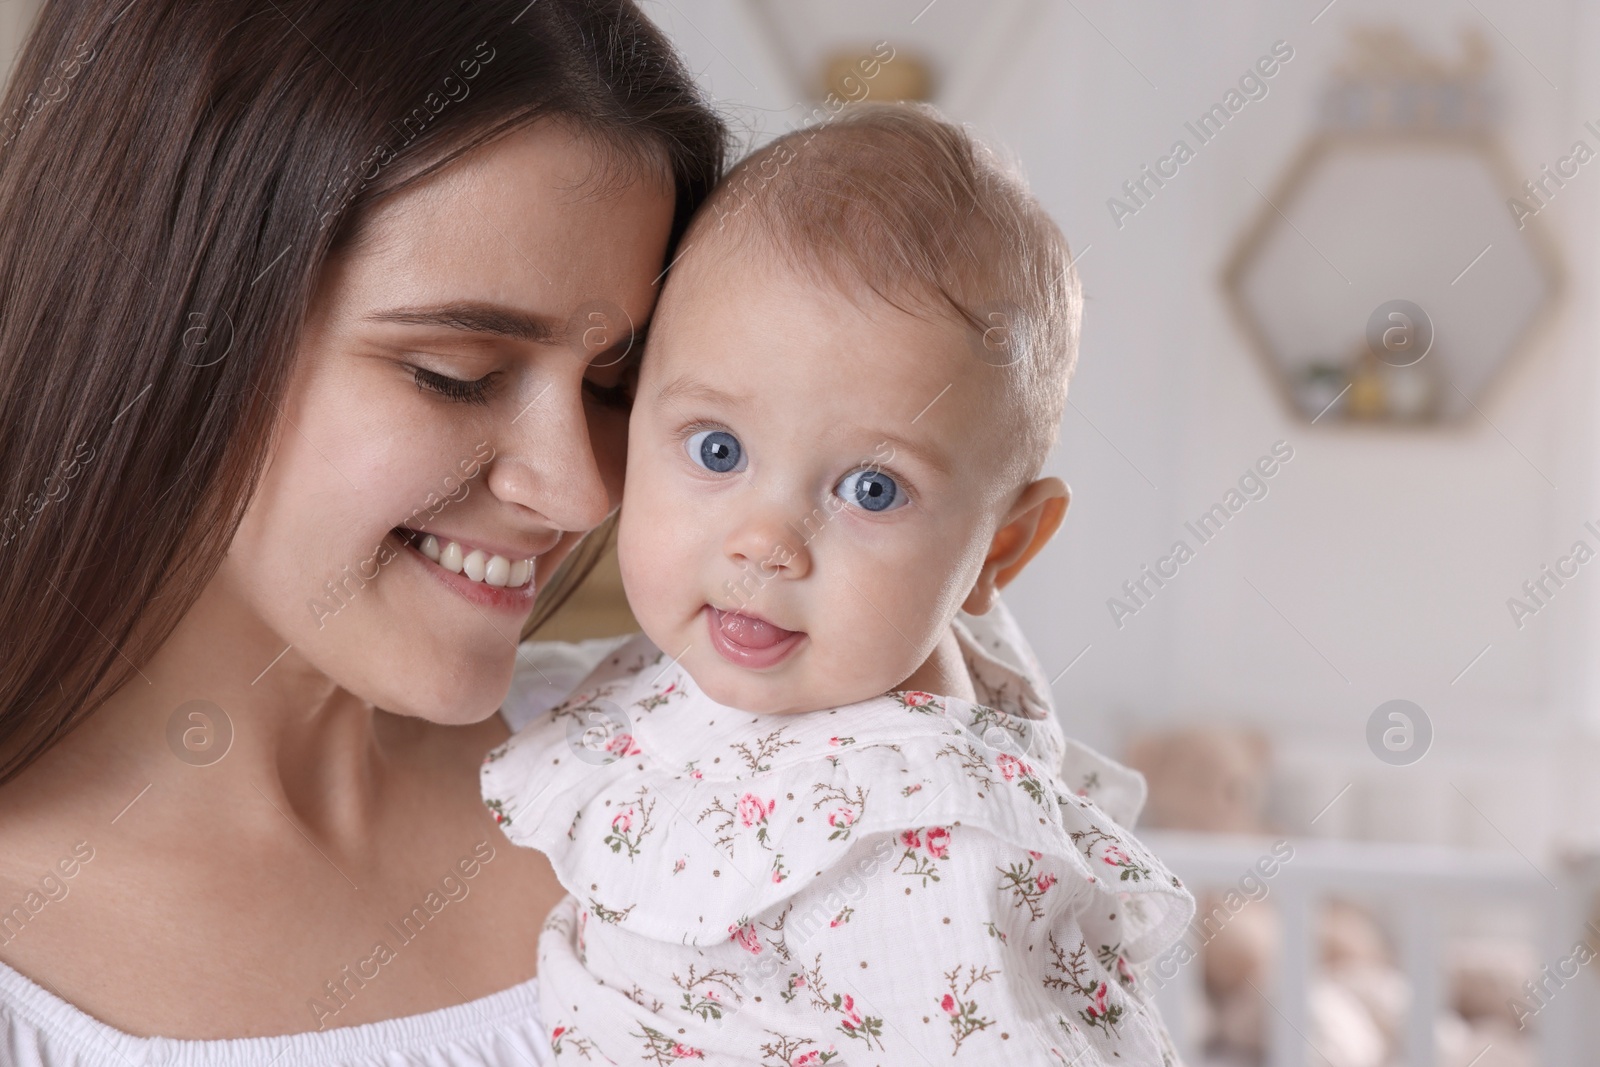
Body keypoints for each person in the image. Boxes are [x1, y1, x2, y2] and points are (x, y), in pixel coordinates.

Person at [0, 1, 726, 1062]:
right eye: (458, 376)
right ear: (164, 325)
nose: (581, 492)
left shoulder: (696, 783)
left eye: (615, 386)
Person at [481, 104, 1197, 1064]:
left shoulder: (932, 848)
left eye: (872, 489)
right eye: (717, 448)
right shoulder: (703, 668)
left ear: (1001, 550)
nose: (767, 541)